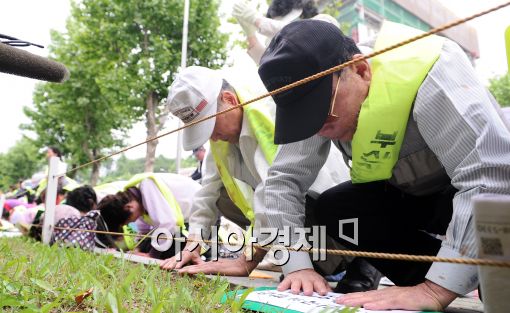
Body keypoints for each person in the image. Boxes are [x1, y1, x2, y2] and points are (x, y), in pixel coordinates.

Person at [257, 19, 510, 310]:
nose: (316, 128)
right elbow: (282, 181)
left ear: (360, 69)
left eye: (320, 112)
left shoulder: (432, 69)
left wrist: (435, 290)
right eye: (303, 117)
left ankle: (451, 278)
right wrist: (297, 265)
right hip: (409, 195)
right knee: (337, 208)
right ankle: (427, 280)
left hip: (474, 198)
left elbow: (490, 176)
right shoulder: (323, 101)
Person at [160, 65, 361, 284]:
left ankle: (335, 262)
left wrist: (246, 261)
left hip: (337, 219)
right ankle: (305, 262)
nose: (213, 137)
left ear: (230, 99)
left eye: (211, 125)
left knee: (289, 201)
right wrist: (194, 242)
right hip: (290, 223)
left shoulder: (271, 117)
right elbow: (207, 192)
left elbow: (276, 192)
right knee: (223, 199)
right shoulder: (220, 142)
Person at [97, 173, 201, 258]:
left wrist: (151, 255)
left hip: (200, 213)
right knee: (155, 244)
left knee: (169, 251)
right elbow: (143, 232)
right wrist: (137, 250)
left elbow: (167, 224)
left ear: (129, 207)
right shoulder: (140, 202)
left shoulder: (147, 188)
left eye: (128, 221)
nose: (132, 223)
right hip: (188, 217)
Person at [233, 0, 338, 65]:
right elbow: (267, 61)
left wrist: (257, 20)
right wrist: (250, 34)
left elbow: (301, 32)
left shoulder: (324, 20)